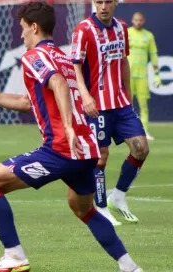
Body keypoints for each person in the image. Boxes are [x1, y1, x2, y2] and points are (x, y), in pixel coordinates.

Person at [0, 2, 142, 272]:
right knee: (84, 209)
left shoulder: (34, 57)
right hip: (86, 152)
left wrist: (69, 127)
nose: (21, 35)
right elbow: (28, 102)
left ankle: (14, 257)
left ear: (34, 27)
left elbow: (58, 84)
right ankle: (130, 267)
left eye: (23, 28)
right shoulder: (62, 57)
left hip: (62, 149)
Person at [71, 0, 149, 226]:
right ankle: (101, 207)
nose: (103, 6)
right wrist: (85, 96)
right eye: (98, 2)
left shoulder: (122, 27)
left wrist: (129, 94)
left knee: (141, 148)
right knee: (101, 156)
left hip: (121, 104)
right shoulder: (84, 29)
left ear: (115, 3)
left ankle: (118, 196)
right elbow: (76, 65)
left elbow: (123, 60)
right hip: (97, 104)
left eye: (107, 1)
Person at [128, 11, 162, 140]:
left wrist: (157, 75)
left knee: (143, 105)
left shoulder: (148, 36)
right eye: (135, 20)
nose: (137, 22)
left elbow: (153, 55)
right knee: (128, 106)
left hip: (142, 76)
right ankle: (130, 131)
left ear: (143, 21)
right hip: (128, 76)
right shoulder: (127, 33)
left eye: (140, 20)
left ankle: (144, 132)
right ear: (132, 20)